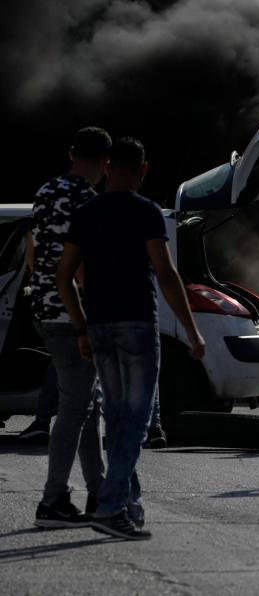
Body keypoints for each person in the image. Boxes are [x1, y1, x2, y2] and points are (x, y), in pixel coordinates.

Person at [57, 137, 205, 540]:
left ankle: (128, 503)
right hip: (137, 325)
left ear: (107, 167)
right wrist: (192, 331)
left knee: (119, 418)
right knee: (135, 422)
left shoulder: (86, 212)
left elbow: (64, 275)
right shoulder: (146, 212)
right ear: (143, 170)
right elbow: (166, 273)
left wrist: (80, 326)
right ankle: (108, 507)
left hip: (100, 327)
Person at [29, 126, 110, 528]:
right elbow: (82, 270)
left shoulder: (45, 193)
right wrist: (86, 325)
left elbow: (33, 252)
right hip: (73, 316)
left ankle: (99, 493)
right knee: (74, 409)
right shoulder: (88, 201)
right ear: (105, 163)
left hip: (45, 310)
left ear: (71, 152)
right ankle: (53, 501)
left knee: (86, 407)